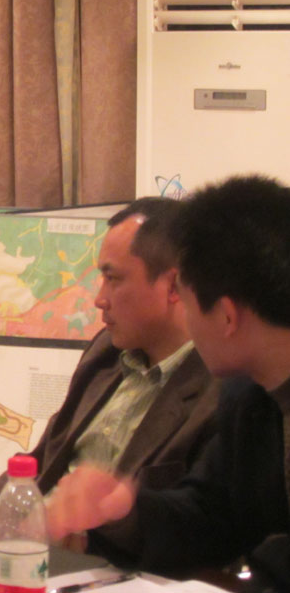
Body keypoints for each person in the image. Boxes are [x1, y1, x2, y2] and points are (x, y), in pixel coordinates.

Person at [46, 175, 290, 590]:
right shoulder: (249, 395)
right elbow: (211, 518)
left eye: (188, 304)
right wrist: (123, 510)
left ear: (227, 317)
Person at [0, 198, 219, 511]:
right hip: (33, 531)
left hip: (102, 542)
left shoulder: (220, 394)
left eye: (113, 278)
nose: (99, 299)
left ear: (173, 286)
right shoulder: (105, 353)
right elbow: (41, 459)